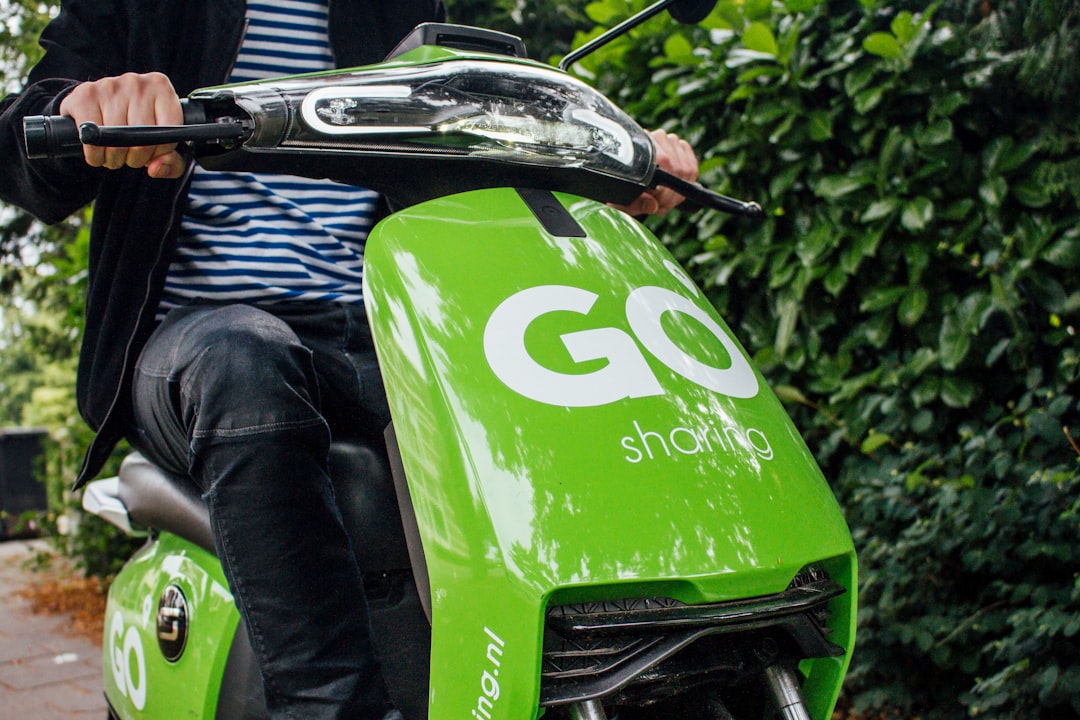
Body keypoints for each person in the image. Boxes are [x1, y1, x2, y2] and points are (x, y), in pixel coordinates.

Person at [0, 1, 699, 718]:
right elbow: (19, 143)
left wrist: (614, 166)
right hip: (200, 336)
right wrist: (85, 105)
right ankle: (327, 704)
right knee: (246, 361)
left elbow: (478, 143)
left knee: (554, 389)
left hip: (384, 327)